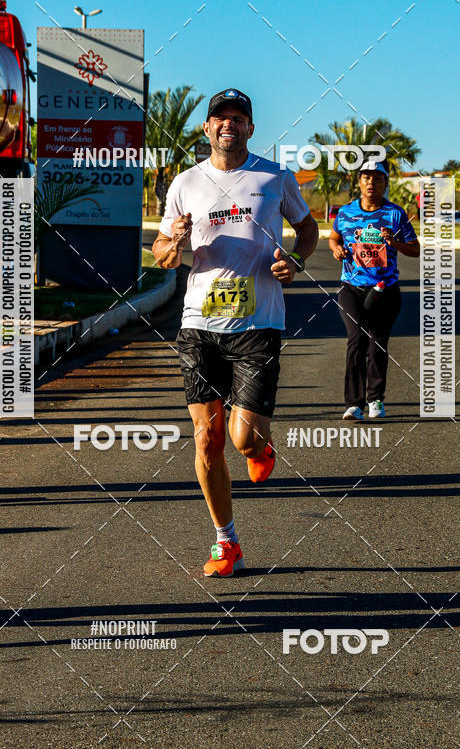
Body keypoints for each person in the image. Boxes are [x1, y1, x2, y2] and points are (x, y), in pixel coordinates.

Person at [153, 88, 318, 577]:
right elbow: (162, 252)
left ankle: (261, 447)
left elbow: (306, 230)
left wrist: (297, 260)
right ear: (206, 129)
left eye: (238, 118)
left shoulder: (274, 177)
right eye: (219, 118)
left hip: (258, 324)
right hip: (198, 325)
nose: (228, 124)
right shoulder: (185, 183)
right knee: (207, 440)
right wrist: (173, 243)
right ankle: (226, 542)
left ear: (250, 128)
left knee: (243, 441)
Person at [329, 160, 419, 421]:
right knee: (356, 338)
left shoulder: (395, 214)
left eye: (377, 178)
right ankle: (353, 404)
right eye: (366, 178)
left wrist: (395, 242)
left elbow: (415, 249)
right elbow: (334, 236)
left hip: (385, 289)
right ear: (359, 182)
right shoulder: (345, 213)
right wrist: (336, 249)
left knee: (377, 341)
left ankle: (375, 399)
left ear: (385, 183)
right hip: (351, 287)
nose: (371, 183)